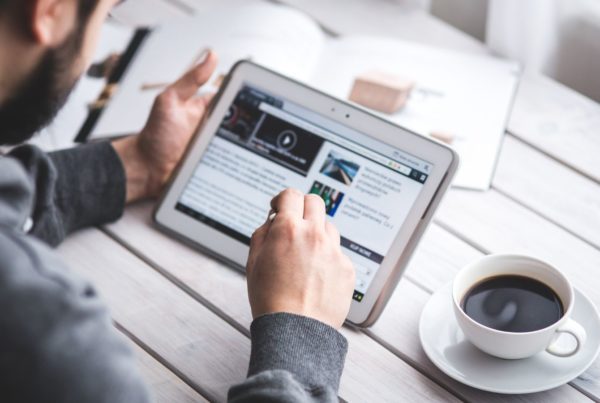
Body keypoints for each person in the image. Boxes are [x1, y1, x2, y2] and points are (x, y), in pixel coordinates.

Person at [0, 0, 356, 402]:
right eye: (107, 13)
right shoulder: (52, 342)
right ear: (50, 11)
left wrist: (137, 165)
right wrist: (301, 333)